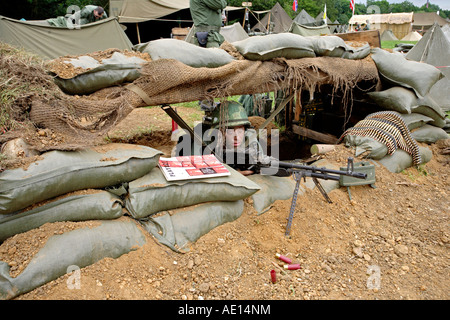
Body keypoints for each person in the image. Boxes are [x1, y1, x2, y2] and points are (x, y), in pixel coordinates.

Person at [175, 101, 287, 176]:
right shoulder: (201, 140)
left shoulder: (249, 138)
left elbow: (260, 162)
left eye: (240, 130)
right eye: (229, 130)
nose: (236, 136)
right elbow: (194, 173)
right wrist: (233, 174)